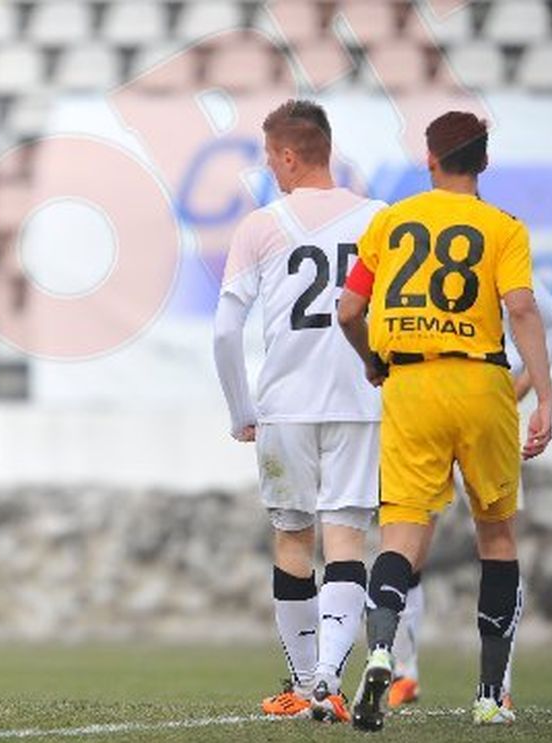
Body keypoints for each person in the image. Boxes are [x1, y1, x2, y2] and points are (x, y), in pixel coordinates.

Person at [337, 111, 552, 730]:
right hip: (483, 383)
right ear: (483, 164)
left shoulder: (391, 221)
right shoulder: (503, 227)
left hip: (410, 386)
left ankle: (382, 650)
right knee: (498, 536)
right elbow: (520, 306)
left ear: (429, 159)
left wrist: (373, 361)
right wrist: (544, 393)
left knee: (400, 537)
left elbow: (349, 309)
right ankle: (490, 695)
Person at [213, 100, 384, 724]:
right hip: (362, 402)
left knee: (291, 536)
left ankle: (304, 682)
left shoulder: (262, 224)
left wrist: (241, 408)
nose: (269, 168)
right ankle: (329, 682)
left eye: (269, 157)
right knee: (347, 539)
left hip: (285, 406)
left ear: (288, 155)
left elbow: (226, 330)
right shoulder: (381, 221)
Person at [387, 283, 552, 710]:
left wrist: (524, 384)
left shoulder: (493, 250)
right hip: (430, 406)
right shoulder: (435, 251)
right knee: (411, 541)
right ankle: (404, 671)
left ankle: (497, 681)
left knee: (496, 543)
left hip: (480, 410)